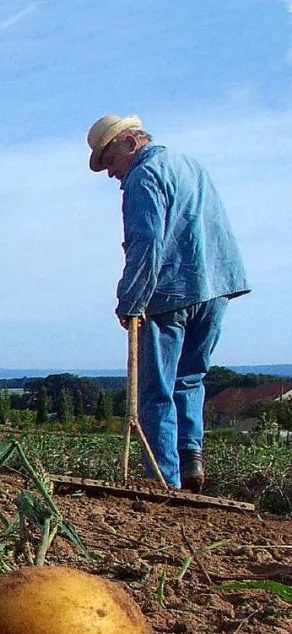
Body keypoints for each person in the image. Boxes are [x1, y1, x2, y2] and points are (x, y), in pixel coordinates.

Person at [86, 114, 250, 492]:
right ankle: (190, 457)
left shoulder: (144, 177)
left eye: (109, 160)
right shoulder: (191, 167)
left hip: (170, 294)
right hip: (215, 287)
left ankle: (163, 480)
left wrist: (130, 300)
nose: (111, 173)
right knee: (189, 379)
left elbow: (147, 244)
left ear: (129, 143)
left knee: (155, 390)